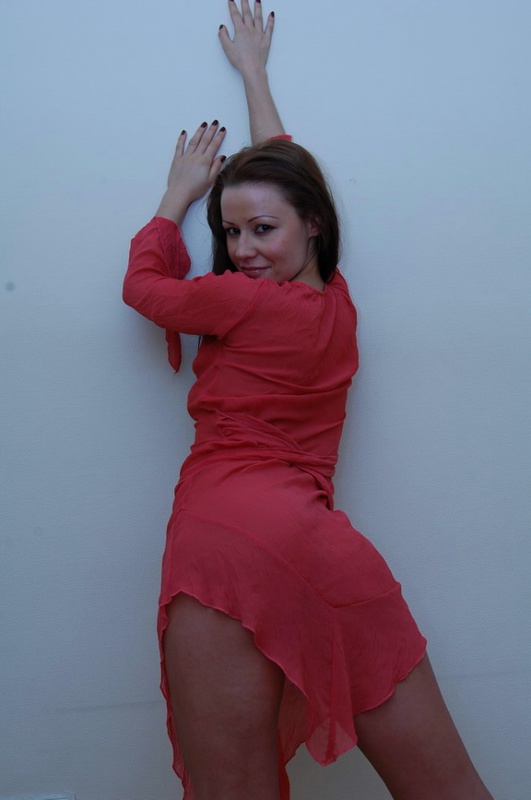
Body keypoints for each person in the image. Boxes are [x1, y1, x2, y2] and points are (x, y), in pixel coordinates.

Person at [123, 2, 495, 799]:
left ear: (312, 226)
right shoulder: (335, 304)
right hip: (314, 541)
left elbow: (143, 288)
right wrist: (255, 77)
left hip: (222, 535)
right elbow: (289, 179)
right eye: (230, 233)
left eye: (259, 230)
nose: (240, 250)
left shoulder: (237, 301)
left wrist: (174, 199)